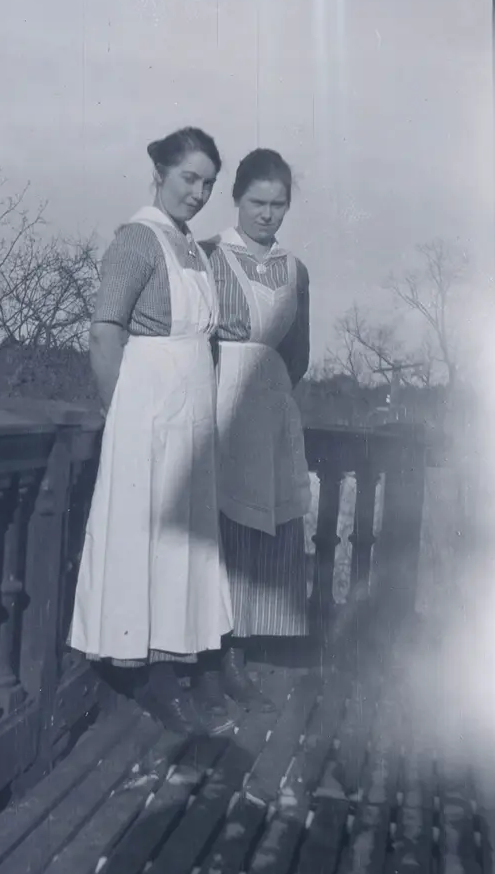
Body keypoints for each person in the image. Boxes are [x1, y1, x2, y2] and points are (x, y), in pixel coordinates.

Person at [68, 127, 235, 737]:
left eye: (208, 184)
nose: (199, 193)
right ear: (160, 173)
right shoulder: (137, 240)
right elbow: (104, 332)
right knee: (148, 539)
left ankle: (190, 656)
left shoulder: (191, 246)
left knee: (186, 539)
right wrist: (124, 418)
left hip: (190, 414)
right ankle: (149, 675)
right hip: (148, 415)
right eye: (189, 178)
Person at [197, 149, 312, 705]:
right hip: (217, 400)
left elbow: (299, 351)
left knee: (264, 524)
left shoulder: (295, 269)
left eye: (278, 204)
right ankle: (216, 650)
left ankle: (246, 644)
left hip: (269, 405)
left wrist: (270, 391)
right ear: (237, 198)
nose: (267, 214)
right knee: (220, 523)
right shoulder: (207, 256)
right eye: (257, 202)